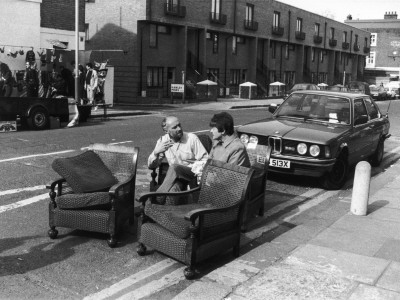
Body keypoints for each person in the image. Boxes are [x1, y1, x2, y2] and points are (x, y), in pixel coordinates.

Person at [148, 116, 208, 198]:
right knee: (173, 191)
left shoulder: (191, 138)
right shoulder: (163, 142)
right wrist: (155, 153)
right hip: (176, 177)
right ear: (166, 131)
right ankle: (166, 208)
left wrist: (196, 168)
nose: (179, 128)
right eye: (175, 127)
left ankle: (157, 197)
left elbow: (205, 160)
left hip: (192, 174)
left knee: (174, 167)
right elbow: (151, 166)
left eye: (179, 125)